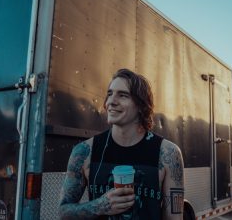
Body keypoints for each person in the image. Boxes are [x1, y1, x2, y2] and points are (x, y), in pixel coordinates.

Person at [59, 68, 184, 219]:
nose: (111, 101)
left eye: (123, 95)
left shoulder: (167, 153)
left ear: (141, 106)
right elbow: (63, 212)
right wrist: (99, 206)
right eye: (110, 94)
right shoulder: (85, 152)